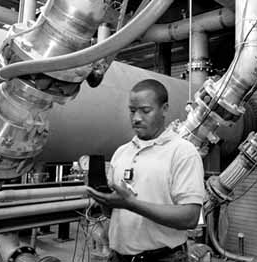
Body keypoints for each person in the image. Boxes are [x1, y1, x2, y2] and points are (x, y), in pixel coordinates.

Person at [87, 79, 205, 262]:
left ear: (164, 109)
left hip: (164, 257)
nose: (136, 118)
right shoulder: (121, 153)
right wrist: (104, 200)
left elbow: (190, 217)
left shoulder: (182, 152)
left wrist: (133, 204)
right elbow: (113, 213)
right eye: (132, 111)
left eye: (145, 111)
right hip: (118, 257)